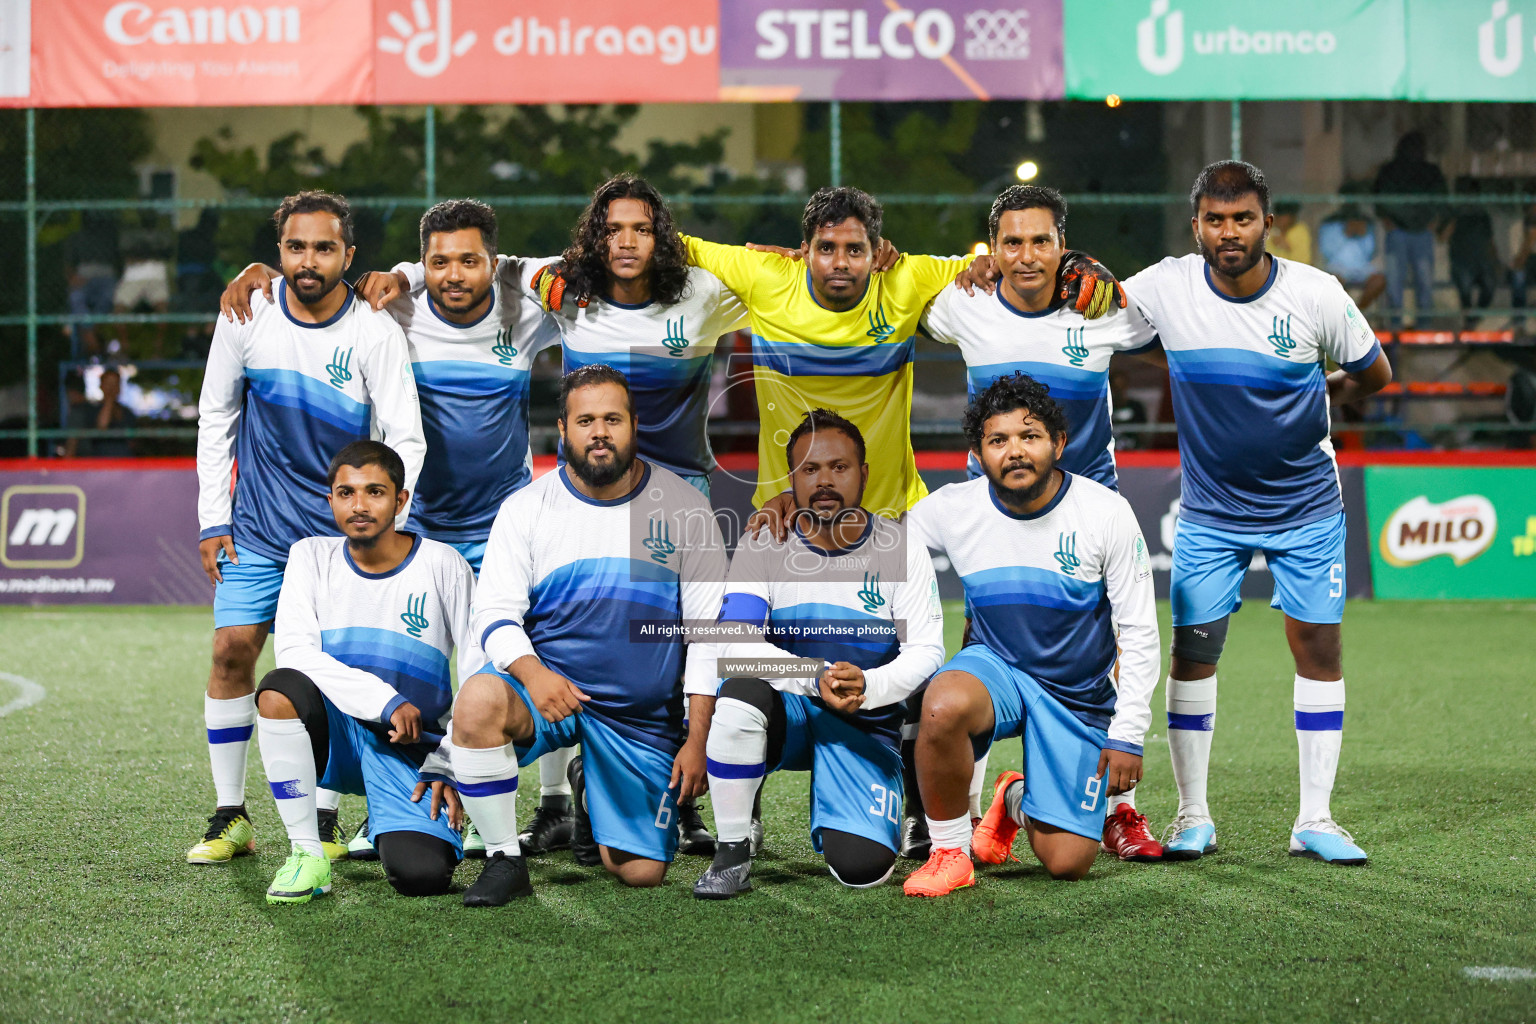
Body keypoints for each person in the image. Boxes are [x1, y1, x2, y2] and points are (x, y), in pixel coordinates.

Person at [351, 176, 752, 856]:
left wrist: (793, 256)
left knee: (676, 645)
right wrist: (399, 271)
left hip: (675, 494)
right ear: (594, 238)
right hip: (582, 493)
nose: (626, 242)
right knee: (546, 637)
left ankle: (675, 799)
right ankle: (538, 802)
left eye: (643, 229)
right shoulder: (570, 297)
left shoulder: (702, 296)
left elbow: (777, 286)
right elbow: (487, 264)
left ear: (664, 239)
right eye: (613, 229)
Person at [218, 200, 563, 859]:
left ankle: (550, 805)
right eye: (437, 261)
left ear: (493, 262)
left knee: (516, 657)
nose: (454, 274)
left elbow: (566, 280)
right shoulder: (391, 310)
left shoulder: (523, 315)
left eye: (470, 260)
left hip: (503, 526)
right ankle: (351, 806)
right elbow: (325, 293)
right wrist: (260, 271)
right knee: (384, 658)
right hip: (420, 523)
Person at [1121, 161, 1393, 864]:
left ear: (1267, 224)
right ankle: (1192, 815)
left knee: (1319, 650)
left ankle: (1315, 820)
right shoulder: (1168, 284)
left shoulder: (1315, 294)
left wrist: (1332, 405)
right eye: (1215, 220)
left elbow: (1376, 372)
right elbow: (1104, 314)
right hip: (1210, 512)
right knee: (1194, 655)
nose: (1228, 232)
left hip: (1307, 507)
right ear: (1197, 226)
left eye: (1242, 219)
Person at [913, 183, 1164, 863]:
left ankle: (1117, 810)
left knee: (1100, 658)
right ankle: (958, 823)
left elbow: (1166, 320)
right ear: (992, 249)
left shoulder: (1106, 311)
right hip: (994, 514)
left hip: (1085, 511)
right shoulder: (963, 305)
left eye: (1042, 241)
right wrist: (947, 267)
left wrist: (1108, 275)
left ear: (1064, 246)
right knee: (978, 651)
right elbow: (897, 286)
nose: (1026, 256)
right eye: (1012, 242)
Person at [189, 190, 425, 868]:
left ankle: (323, 818)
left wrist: (386, 526)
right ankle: (231, 815)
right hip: (259, 532)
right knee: (233, 651)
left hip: (338, 544)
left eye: (325, 248)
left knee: (331, 674)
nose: (309, 260)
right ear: (279, 252)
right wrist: (213, 517)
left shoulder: (375, 330)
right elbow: (216, 417)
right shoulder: (247, 311)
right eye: (296, 247)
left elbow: (403, 435)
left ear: (348, 255)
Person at [446, 365, 727, 905]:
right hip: (549, 689)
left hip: (638, 715)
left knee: (641, 872)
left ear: (634, 426)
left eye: (613, 419)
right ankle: (505, 860)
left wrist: (696, 741)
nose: (600, 432)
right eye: (586, 420)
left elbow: (706, 637)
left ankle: (591, 781)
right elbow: (496, 615)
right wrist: (535, 674)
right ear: (563, 430)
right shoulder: (526, 508)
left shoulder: (685, 508)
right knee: (478, 700)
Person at [900, 373, 1159, 897]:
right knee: (942, 704)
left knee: (1067, 863)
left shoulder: (1104, 512)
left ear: (1058, 444)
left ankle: (1013, 797)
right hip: (996, 668)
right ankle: (950, 851)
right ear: (978, 452)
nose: (1014, 451)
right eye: (998, 440)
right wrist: (797, 512)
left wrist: (1128, 732)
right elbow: (877, 540)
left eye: (1030, 436)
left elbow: (1139, 629)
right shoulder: (954, 508)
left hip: (1076, 695)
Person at [694, 409, 944, 898]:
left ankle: (903, 805)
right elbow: (733, 641)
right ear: (792, 479)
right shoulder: (765, 538)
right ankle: (732, 851)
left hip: (864, 719)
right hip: (795, 710)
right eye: (809, 469)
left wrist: (870, 686)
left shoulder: (901, 546)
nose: (824, 480)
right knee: (740, 690)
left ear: (864, 474)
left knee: (862, 869)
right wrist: (813, 678)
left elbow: (928, 650)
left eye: (839, 467)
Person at [256, 441, 476, 903]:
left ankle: (389, 814)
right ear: (330, 499)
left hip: (413, 748)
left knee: (422, 877)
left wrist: (453, 763)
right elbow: (294, 652)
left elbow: (479, 671)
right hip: (340, 737)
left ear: (400, 500)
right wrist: (386, 700)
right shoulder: (310, 557)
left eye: (374, 492)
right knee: (279, 690)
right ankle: (307, 854)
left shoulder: (443, 564)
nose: (359, 506)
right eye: (346, 492)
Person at [1374, 131, 1447, 323]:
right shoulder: (1390, 170)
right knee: (1396, 282)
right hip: (1398, 231)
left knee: (1423, 281)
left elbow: (1441, 197)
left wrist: (1435, 219)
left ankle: (1422, 326)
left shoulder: (1430, 171)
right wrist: (1385, 217)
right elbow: (1379, 196)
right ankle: (1396, 326)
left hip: (1421, 231)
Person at [1444, 178, 1501, 327]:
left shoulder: (1482, 215)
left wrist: (1495, 261)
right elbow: (1443, 237)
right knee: (1465, 285)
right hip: (1462, 262)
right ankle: (1469, 323)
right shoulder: (1455, 214)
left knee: (1490, 285)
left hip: (1481, 262)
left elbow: (1490, 241)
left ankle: (1473, 320)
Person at [1317, 205, 1387, 311]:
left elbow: (1371, 253)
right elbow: (1327, 251)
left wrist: (1363, 235)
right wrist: (1346, 234)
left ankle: (1358, 311)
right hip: (1338, 267)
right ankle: (1343, 313)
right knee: (1332, 282)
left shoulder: (1367, 225)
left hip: (1363, 268)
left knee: (1379, 280)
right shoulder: (1329, 225)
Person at [64, 366, 136, 458]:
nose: (111, 388)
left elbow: (133, 441)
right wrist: (109, 400)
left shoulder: (127, 412)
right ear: (101, 386)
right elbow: (102, 426)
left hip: (125, 463)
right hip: (100, 463)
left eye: (115, 384)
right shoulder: (89, 409)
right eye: (108, 384)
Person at [1266, 202, 1312, 266]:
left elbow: (1304, 262)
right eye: (1278, 216)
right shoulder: (1269, 231)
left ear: (1292, 218)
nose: (1280, 220)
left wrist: (1288, 248)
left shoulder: (1300, 231)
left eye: (1284, 217)